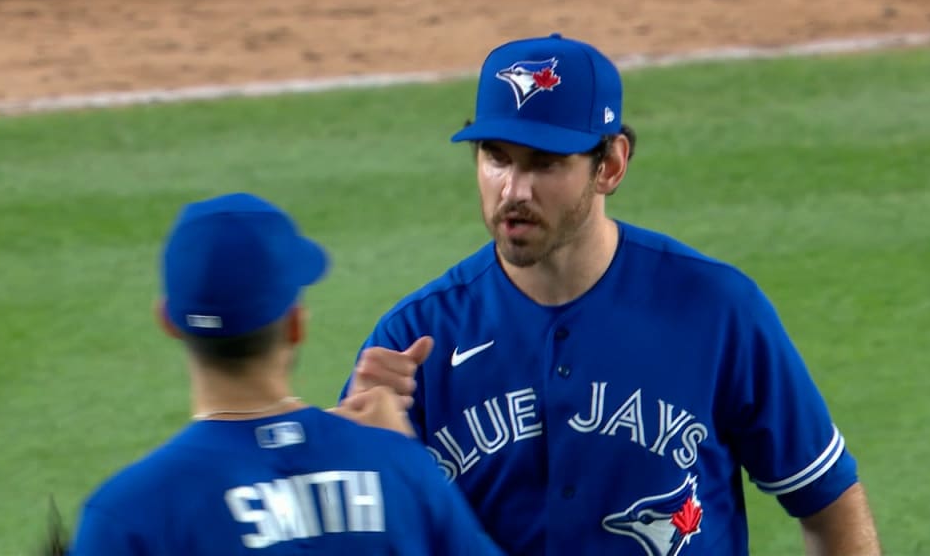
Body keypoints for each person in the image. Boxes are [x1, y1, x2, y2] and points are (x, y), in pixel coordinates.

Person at [341, 33, 883, 555]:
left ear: (612, 164)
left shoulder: (717, 311)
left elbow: (828, 500)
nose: (514, 189)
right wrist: (362, 458)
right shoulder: (414, 341)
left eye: (545, 162)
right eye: (496, 156)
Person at [64, 192, 505, 556]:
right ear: (296, 325)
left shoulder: (128, 514)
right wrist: (388, 450)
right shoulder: (402, 470)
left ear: (168, 322)